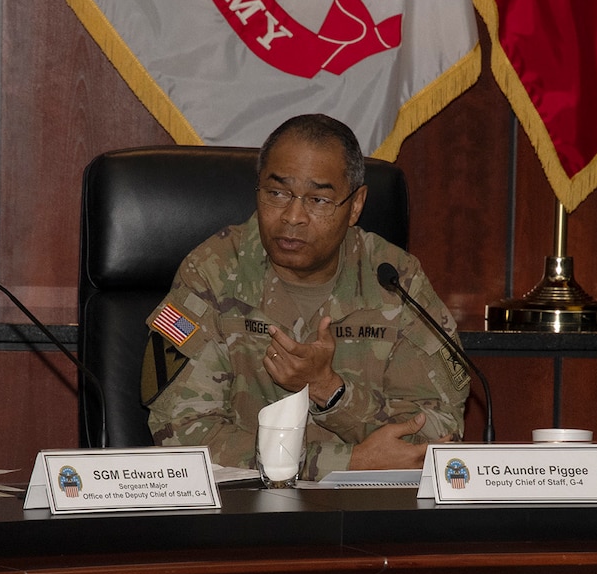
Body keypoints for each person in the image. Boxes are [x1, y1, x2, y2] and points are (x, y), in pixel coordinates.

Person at [144, 113, 467, 478]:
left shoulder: (395, 280)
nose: (292, 216)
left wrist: (331, 391)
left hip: (369, 516)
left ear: (355, 205)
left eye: (318, 200)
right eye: (277, 193)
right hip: (244, 518)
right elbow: (181, 437)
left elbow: (439, 433)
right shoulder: (210, 274)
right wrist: (343, 462)